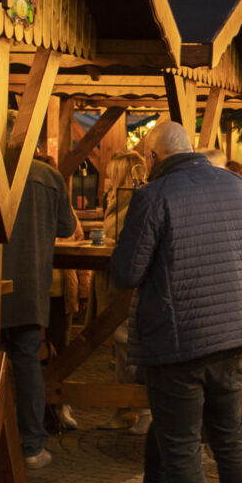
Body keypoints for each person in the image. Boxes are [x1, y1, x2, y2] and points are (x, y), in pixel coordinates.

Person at [112, 121, 242, 483]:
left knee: (180, 449)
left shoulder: (153, 197)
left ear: (154, 159)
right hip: (233, 331)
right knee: (231, 440)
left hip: (179, 338)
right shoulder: (240, 186)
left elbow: (125, 271)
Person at [0, 153, 78, 468]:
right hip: (30, 285)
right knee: (27, 363)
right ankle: (30, 445)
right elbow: (67, 226)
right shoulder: (48, 176)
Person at [93, 149, 151, 433]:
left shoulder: (131, 199)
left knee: (130, 342)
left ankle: (142, 408)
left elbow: (125, 238)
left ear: (122, 176)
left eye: (109, 174)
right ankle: (124, 410)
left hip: (126, 281)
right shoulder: (118, 200)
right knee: (121, 345)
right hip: (118, 278)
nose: (104, 179)